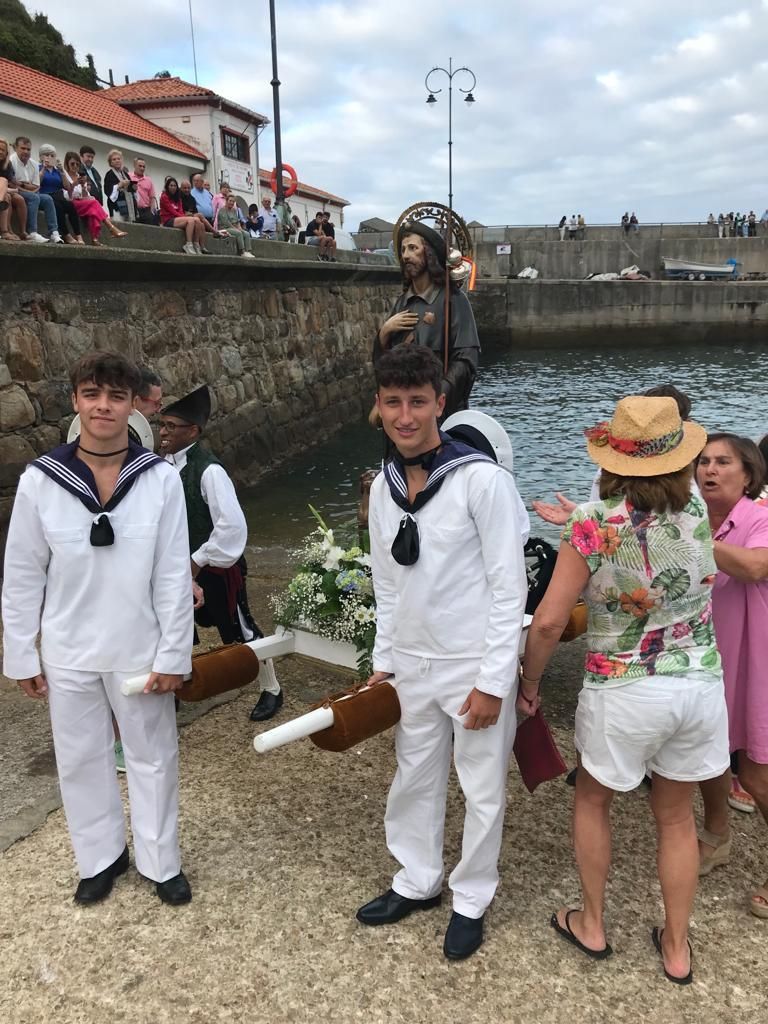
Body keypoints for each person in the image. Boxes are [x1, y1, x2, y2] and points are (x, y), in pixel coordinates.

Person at [520, 396, 728, 985]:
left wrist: (530, 683)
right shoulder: (701, 513)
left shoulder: (592, 523)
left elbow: (550, 622)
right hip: (696, 685)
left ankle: (591, 923)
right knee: (676, 820)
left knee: (592, 800)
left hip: (623, 687)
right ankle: (678, 948)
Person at [2, 351, 194, 906]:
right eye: (92, 394)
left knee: (152, 756)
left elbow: (171, 572)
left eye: (115, 396)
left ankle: (162, 861)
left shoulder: (158, 479)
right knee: (81, 757)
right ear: (76, 401)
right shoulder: (41, 480)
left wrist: (173, 654)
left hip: (139, 645)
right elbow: (21, 573)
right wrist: (21, 654)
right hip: (68, 646)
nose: (103, 406)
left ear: (134, 404)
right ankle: (100, 856)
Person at [356, 345, 526, 960]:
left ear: (440, 403)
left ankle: (472, 895)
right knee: (414, 774)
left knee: (481, 786)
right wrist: (384, 661)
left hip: (469, 662)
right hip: (412, 661)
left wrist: (492, 681)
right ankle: (417, 877)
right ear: (379, 407)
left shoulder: (482, 481)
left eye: (418, 402)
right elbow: (385, 583)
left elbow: (511, 589)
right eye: (393, 402)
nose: (406, 416)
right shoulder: (383, 488)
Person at [158, 386, 281, 721]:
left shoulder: (209, 471)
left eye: (172, 426)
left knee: (240, 631)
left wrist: (198, 560)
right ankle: (172, 695)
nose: (163, 432)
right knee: (172, 629)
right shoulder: (161, 467)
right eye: (162, 425)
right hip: (175, 569)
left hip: (215, 568)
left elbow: (231, 527)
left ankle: (271, 688)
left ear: (194, 431)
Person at [694, 434, 768, 918]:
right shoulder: (693, 518)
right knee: (707, 756)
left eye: (723, 462)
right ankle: (717, 835)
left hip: (755, 658)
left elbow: (754, 565)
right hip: (704, 659)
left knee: (758, 774)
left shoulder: (760, 517)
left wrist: (689, 535)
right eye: (702, 462)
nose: (710, 470)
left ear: (748, 473)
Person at [533, 384, 696, 528]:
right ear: (687, 424)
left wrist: (582, 516)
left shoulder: (610, 471)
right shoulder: (698, 490)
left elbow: (606, 516)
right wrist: (582, 514)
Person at [373, 221, 479, 419]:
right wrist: (384, 334)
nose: (406, 255)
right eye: (403, 249)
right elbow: (385, 365)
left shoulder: (454, 300)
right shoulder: (401, 303)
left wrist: (436, 399)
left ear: (429, 253)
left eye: (413, 248)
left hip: (441, 416)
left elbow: (466, 361)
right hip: (402, 417)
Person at [62, 151, 126, 246]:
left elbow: (85, 195)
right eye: (72, 164)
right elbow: (67, 196)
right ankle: (111, 227)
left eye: (77, 164)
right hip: (71, 204)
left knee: (93, 211)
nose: (75, 166)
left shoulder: (79, 176)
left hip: (82, 203)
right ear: (67, 163)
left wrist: (84, 187)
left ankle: (95, 239)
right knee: (94, 203)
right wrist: (75, 184)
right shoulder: (64, 175)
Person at [9, 136, 59, 243]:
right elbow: (12, 184)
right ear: (16, 148)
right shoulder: (11, 161)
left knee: (48, 199)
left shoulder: (34, 164)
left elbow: (36, 186)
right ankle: (32, 232)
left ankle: (53, 232)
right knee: (34, 197)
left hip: (29, 192)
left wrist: (22, 184)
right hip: (15, 192)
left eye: (28, 149)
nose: (26, 152)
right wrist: (27, 187)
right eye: (23, 148)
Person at [38, 144, 83, 244]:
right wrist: (44, 169)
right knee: (58, 207)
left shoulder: (57, 171)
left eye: (52, 155)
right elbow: (37, 182)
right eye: (47, 155)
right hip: (46, 195)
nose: (49, 158)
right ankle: (66, 235)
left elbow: (67, 186)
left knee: (71, 206)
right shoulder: (38, 168)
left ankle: (78, 235)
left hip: (59, 195)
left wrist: (62, 172)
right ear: (41, 157)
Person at [159, 177, 207, 255]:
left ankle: (196, 244)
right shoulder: (164, 197)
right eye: (171, 185)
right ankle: (188, 244)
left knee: (197, 220)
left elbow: (180, 211)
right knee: (191, 220)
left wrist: (184, 216)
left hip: (177, 219)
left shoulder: (178, 198)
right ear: (167, 186)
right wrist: (185, 217)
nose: (173, 187)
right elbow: (173, 211)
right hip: (168, 220)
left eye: (174, 186)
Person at [0, 136, 30, 241]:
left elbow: (12, 183)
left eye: (2, 150)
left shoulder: (7, 165)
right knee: (6, 195)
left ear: (6, 153)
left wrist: (14, 189)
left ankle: (22, 231)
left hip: (4, 190)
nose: (0, 152)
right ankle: (6, 231)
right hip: (4, 192)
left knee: (19, 199)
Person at [104, 149, 137, 222]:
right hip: (117, 207)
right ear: (110, 163)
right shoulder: (109, 174)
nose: (117, 161)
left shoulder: (125, 174)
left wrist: (134, 187)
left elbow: (132, 191)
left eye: (119, 159)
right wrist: (119, 185)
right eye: (114, 159)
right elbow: (107, 191)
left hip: (129, 207)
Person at [130, 158, 159, 225]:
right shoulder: (128, 176)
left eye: (143, 166)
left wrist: (151, 211)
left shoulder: (149, 180)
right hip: (133, 210)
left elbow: (152, 197)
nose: (142, 168)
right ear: (134, 165)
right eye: (140, 166)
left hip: (146, 210)